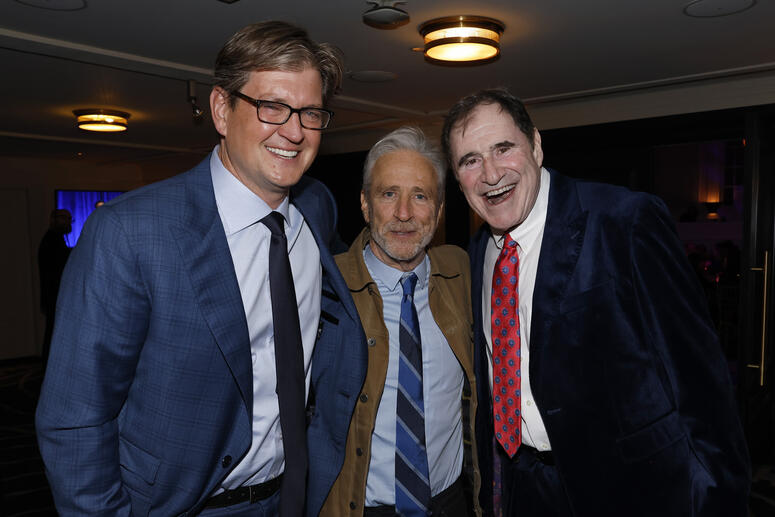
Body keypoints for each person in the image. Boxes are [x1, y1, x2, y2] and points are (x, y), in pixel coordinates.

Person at [35, 21, 346, 516]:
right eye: (272, 107)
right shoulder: (129, 234)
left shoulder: (317, 209)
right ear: (222, 109)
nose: (294, 131)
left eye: (310, 112)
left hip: (292, 498)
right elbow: (75, 421)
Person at [440, 88, 751, 517]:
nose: (491, 174)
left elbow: (702, 383)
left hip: (633, 489)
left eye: (503, 148)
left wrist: (720, 499)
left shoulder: (624, 221)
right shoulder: (478, 254)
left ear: (535, 144)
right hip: (527, 487)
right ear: (458, 179)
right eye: (470, 160)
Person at [307, 127, 481, 516]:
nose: (404, 213)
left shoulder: (465, 274)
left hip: (450, 503)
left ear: (438, 211)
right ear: (366, 204)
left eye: (420, 196)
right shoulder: (321, 289)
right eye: (389, 194)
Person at [37, 208, 72, 363]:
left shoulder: (53, 239)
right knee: (53, 333)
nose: (69, 223)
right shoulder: (53, 240)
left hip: (53, 295)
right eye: (66, 219)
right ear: (55, 220)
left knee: (53, 332)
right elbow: (59, 268)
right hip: (55, 296)